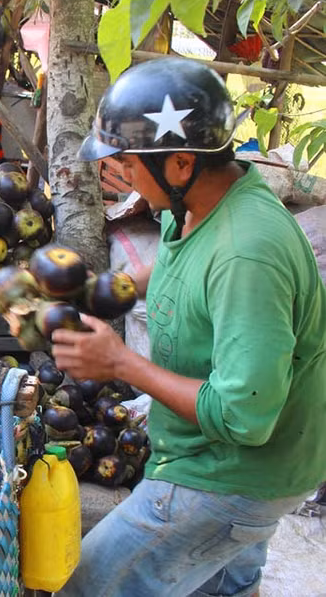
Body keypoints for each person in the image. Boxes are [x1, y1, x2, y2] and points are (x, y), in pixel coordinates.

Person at [52, 57, 326, 596]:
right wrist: (103, 292)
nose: (120, 175)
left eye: (128, 164)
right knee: (219, 584)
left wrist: (121, 363)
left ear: (180, 164)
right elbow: (178, 259)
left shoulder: (247, 255)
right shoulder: (202, 201)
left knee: (89, 584)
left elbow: (243, 416)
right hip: (228, 457)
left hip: (232, 473)